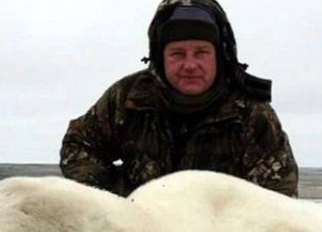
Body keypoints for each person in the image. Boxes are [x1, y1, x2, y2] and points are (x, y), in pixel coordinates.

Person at [60, 0, 299, 197]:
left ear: (220, 54)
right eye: (177, 54)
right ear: (159, 57)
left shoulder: (252, 113)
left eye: (201, 52)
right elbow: (80, 145)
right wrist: (113, 203)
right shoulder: (128, 97)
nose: (190, 65)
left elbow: (279, 198)